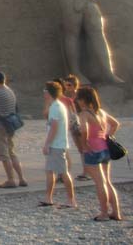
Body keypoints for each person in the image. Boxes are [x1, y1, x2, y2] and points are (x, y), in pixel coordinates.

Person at [76, 85, 122, 221]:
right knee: (107, 182)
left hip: (92, 150)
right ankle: (116, 212)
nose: (77, 101)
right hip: (105, 149)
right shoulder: (101, 112)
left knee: (100, 183)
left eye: (78, 98)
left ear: (83, 99)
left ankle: (104, 213)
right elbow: (115, 124)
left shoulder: (84, 113)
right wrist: (107, 135)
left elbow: (84, 130)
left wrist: (84, 144)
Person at [0, 72, 27, 189]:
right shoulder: (10, 91)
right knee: (12, 152)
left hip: (0, 124)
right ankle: (21, 178)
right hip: (10, 124)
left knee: (3, 154)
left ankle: (10, 179)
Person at [41, 81, 75, 209]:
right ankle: (48, 198)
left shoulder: (56, 107)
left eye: (45, 90)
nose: (43, 93)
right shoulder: (56, 105)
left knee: (63, 172)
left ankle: (71, 200)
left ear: (48, 92)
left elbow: (54, 127)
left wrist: (47, 144)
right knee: (50, 171)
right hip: (58, 143)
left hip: (57, 144)